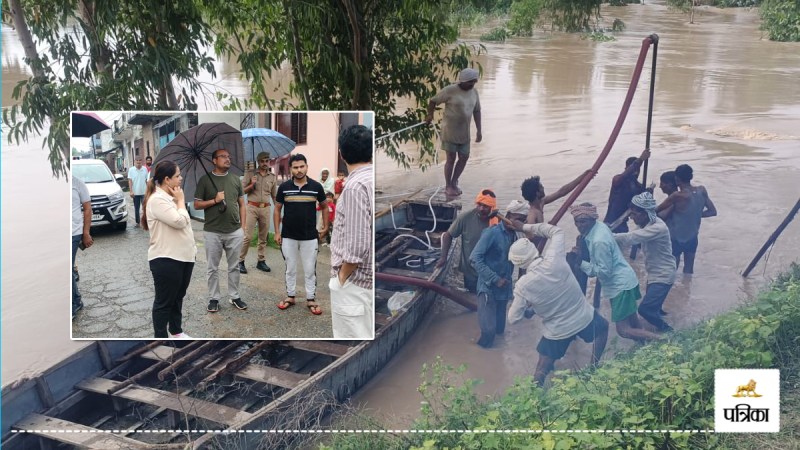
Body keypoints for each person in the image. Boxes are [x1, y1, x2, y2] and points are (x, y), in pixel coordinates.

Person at [506, 224, 609, 386]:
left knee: (542, 368)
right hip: (583, 316)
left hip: (557, 330)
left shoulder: (522, 286)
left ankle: (534, 396)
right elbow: (556, 231)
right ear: (534, 250)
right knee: (603, 328)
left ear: (517, 263)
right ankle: (593, 366)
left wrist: (528, 307)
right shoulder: (555, 258)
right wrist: (525, 226)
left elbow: (513, 319)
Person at [571, 203, 662, 342]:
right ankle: (648, 346)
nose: (579, 225)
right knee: (634, 322)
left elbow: (604, 272)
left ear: (593, 219)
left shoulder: (598, 242)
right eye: (576, 221)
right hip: (626, 280)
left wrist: (581, 263)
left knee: (623, 330)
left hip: (620, 287)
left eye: (583, 221)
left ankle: (663, 340)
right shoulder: (600, 227)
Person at [142, 161, 196, 338]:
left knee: (177, 296)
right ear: (167, 179)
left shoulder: (170, 198)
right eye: (177, 176)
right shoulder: (157, 200)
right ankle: (160, 338)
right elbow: (179, 221)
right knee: (164, 302)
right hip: (166, 258)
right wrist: (181, 201)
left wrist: (178, 201)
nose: (181, 179)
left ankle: (176, 331)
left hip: (183, 256)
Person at [329, 125, 374, 338]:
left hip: (355, 282)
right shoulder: (370, 179)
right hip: (366, 279)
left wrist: (341, 277)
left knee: (352, 340)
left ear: (341, 154)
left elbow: (357, 246)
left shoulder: (355, 186)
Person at [193, 148, 248, 313]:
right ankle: (214, 298)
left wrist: (243, 227)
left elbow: (242, 204)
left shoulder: (235, 179)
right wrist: (214, 200)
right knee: (212, 267)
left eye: (228, 156)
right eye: (223, 156)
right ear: (214, 160)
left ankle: (234, 296)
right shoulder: (204, 180)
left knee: (234, 266)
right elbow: (197, 204)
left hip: (234, 231)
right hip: (213, 231)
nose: (227, 159)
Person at [275, 154, 329, 316]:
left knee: (309, 269)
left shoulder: (316, 187)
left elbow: (324, 206)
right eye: (295, 167)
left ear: (306, 167)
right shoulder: (284, 187)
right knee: (290, 268)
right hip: (288, 235)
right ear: (291, 169)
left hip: (310, 236)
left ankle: (311, 299)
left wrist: (326, 227)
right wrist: (277, 232)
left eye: (301, 166)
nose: (299, 170)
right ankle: (290, 296)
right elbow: (277, 209)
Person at [469, 201, 528, 348]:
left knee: (500, 330)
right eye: (516, 219)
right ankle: (478, 354)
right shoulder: (491, 233)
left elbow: (523, 261)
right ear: (507, 216)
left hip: (504, 290)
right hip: (488, 288)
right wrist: (494, 279)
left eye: (522, 220)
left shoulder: (518, 236)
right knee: (489, 333)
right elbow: (474, 258)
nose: (518, 223)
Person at [613, 192, 675, 332]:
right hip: (654, 272)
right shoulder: (645, 225)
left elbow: (630, 238)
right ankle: (667, 321)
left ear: (645, 213)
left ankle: (669, 332)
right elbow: (632, 237)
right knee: (654, 308)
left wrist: (607, 236)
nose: (631, 217)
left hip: (663, 274)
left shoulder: (657, 228)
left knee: (645, 310)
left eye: (634, 214)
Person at [425, 67, 483, 196]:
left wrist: (479, 130)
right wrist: (430, 115)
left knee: (464, 157)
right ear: (463, 81)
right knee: (451, 158)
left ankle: (454, 181)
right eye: (470, 82)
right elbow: (433, 101)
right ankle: (448, 186)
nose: (472, 84)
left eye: (474, 82)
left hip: (464, 132)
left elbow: (477, 111)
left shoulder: (474, 92)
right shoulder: (450, 90)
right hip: (450, 131)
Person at [657, 164, 717, 274]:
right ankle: (687, 285)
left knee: (671, 270)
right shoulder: (701, 190)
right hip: (692, 238)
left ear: (677, 179)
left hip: (675, 238)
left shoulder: (677, 196)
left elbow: (657, 211)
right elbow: (712, 211)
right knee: (688, 271)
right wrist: (694, 214)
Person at [435, 189, 497, 293]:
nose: (481, 209)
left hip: (490, 272)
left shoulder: (497, 222)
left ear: (492, 207)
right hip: (470, 271)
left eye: (485, 206)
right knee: (471, 294)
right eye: (479, 205)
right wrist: (443, 257)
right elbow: (448, 235)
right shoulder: (465, 218)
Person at [239, 151, 278, 274]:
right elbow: (241, 191)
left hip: (265, 208)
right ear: (258, 162)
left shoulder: (272, 177)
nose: (265, 163)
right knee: (248, 236)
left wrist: (278, 209)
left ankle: (261, 261)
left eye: (267, 161)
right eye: (262, 161)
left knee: (263, 237)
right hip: (252, 208)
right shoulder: (250, 173)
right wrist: (251, 184)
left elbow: (274, 196)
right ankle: (240, 261)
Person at [520, 171, 592, 225]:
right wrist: (548, 229)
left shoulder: (541, 202)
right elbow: (530, 236)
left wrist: (583, 176)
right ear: (537, 193)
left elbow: (562, 192)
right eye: (541, 187)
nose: (543, 187)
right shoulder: (532, 213)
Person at [604, 149, 649, 233]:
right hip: (610, 222)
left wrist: (648, 192)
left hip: (623, 223)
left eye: (638, 170)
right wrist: (640, 160)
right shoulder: (618, 181)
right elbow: (624, 176)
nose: (636, 172)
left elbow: (640, 206)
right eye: (634, 169)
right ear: (626, 169)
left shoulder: (639, 187)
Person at [72, 177, 93, 319]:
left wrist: (86, 233)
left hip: (73, 233)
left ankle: (73, 304)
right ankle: (76, 300)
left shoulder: (77, 184)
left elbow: (87, 208)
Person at [128, 157, 149, 227]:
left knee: (145, 208)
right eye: (137, 160)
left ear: (142, 161)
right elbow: (130, 181)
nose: (138, 162)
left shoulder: (145, 169)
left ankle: (146, 222)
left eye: (140, 160)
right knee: (136, 208)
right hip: (135, 193)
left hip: (144, 192)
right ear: (134, 161)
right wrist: (131, 191)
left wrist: (148, 190)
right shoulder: (131, 170)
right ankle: (138, 222)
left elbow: (147, 180)